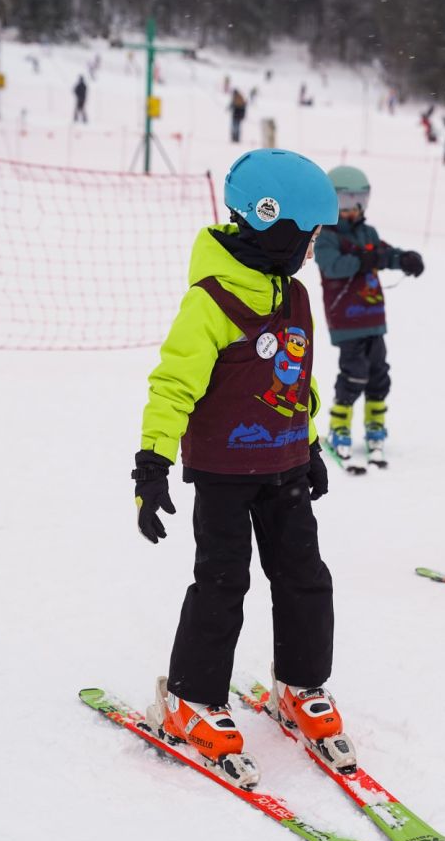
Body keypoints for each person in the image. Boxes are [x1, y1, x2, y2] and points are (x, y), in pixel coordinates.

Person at [133, 148, 356, 788]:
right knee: (223, 583)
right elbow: (172, 386)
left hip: (285, 469)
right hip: (224, 475)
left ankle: (301, 684)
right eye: (307, 237)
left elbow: (298, 383)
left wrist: (310, 446)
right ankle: (191, 699)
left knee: (305, 576)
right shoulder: (209, 302)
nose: (311, 250)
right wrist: (151, 464)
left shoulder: (295, 296)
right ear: (271, 225)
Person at [313, 165, 425, 467]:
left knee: (378, 374)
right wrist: (365, 259)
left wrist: (404, 259)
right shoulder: (325, 236)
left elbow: (384, 253)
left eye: (360, 200)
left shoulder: (368, 233)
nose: (354, 209)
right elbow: (332, 266)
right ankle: (339, 427)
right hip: (346, 320)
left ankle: (375, 426)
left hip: (373, 319)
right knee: (354, 373)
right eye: (346, 201)